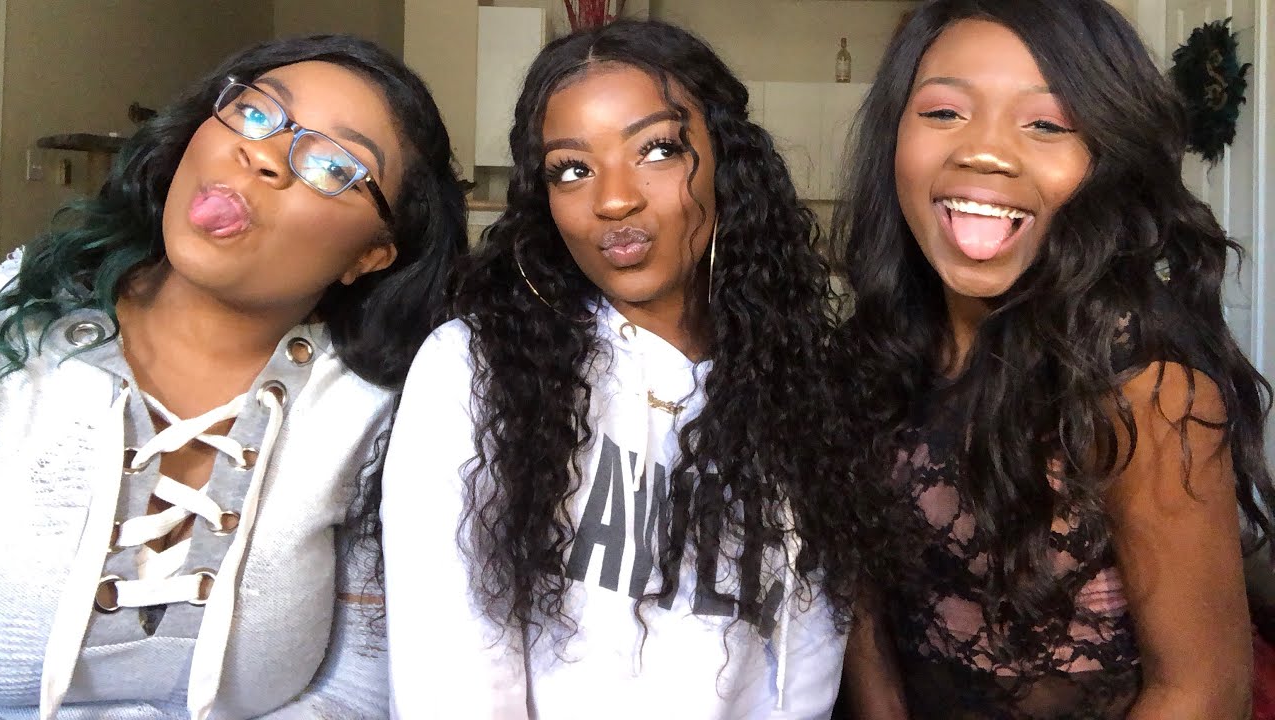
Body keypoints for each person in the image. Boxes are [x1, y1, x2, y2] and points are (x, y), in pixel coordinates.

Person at [382, 18, 871, 720]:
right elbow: (451, 672)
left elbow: (807, 655)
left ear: (727, 161)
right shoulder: (476, 368)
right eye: (572, 169)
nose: (614, 199)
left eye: (657, 150)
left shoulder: (801, 386)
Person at [0, 34, 466, 719]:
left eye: (333, 164)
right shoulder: (14, 332)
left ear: (369, 255)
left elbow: (362, 688)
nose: (264, 155)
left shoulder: (382, 417)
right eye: (256, 112)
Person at [834, 1, 1275, 718]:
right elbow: (863, 619)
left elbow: (1202, 691)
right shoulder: (867, 359)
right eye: (943, 112)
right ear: (894, 138)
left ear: (1107, 160)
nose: (985, 151)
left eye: (1046, 124)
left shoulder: (1145, 389)